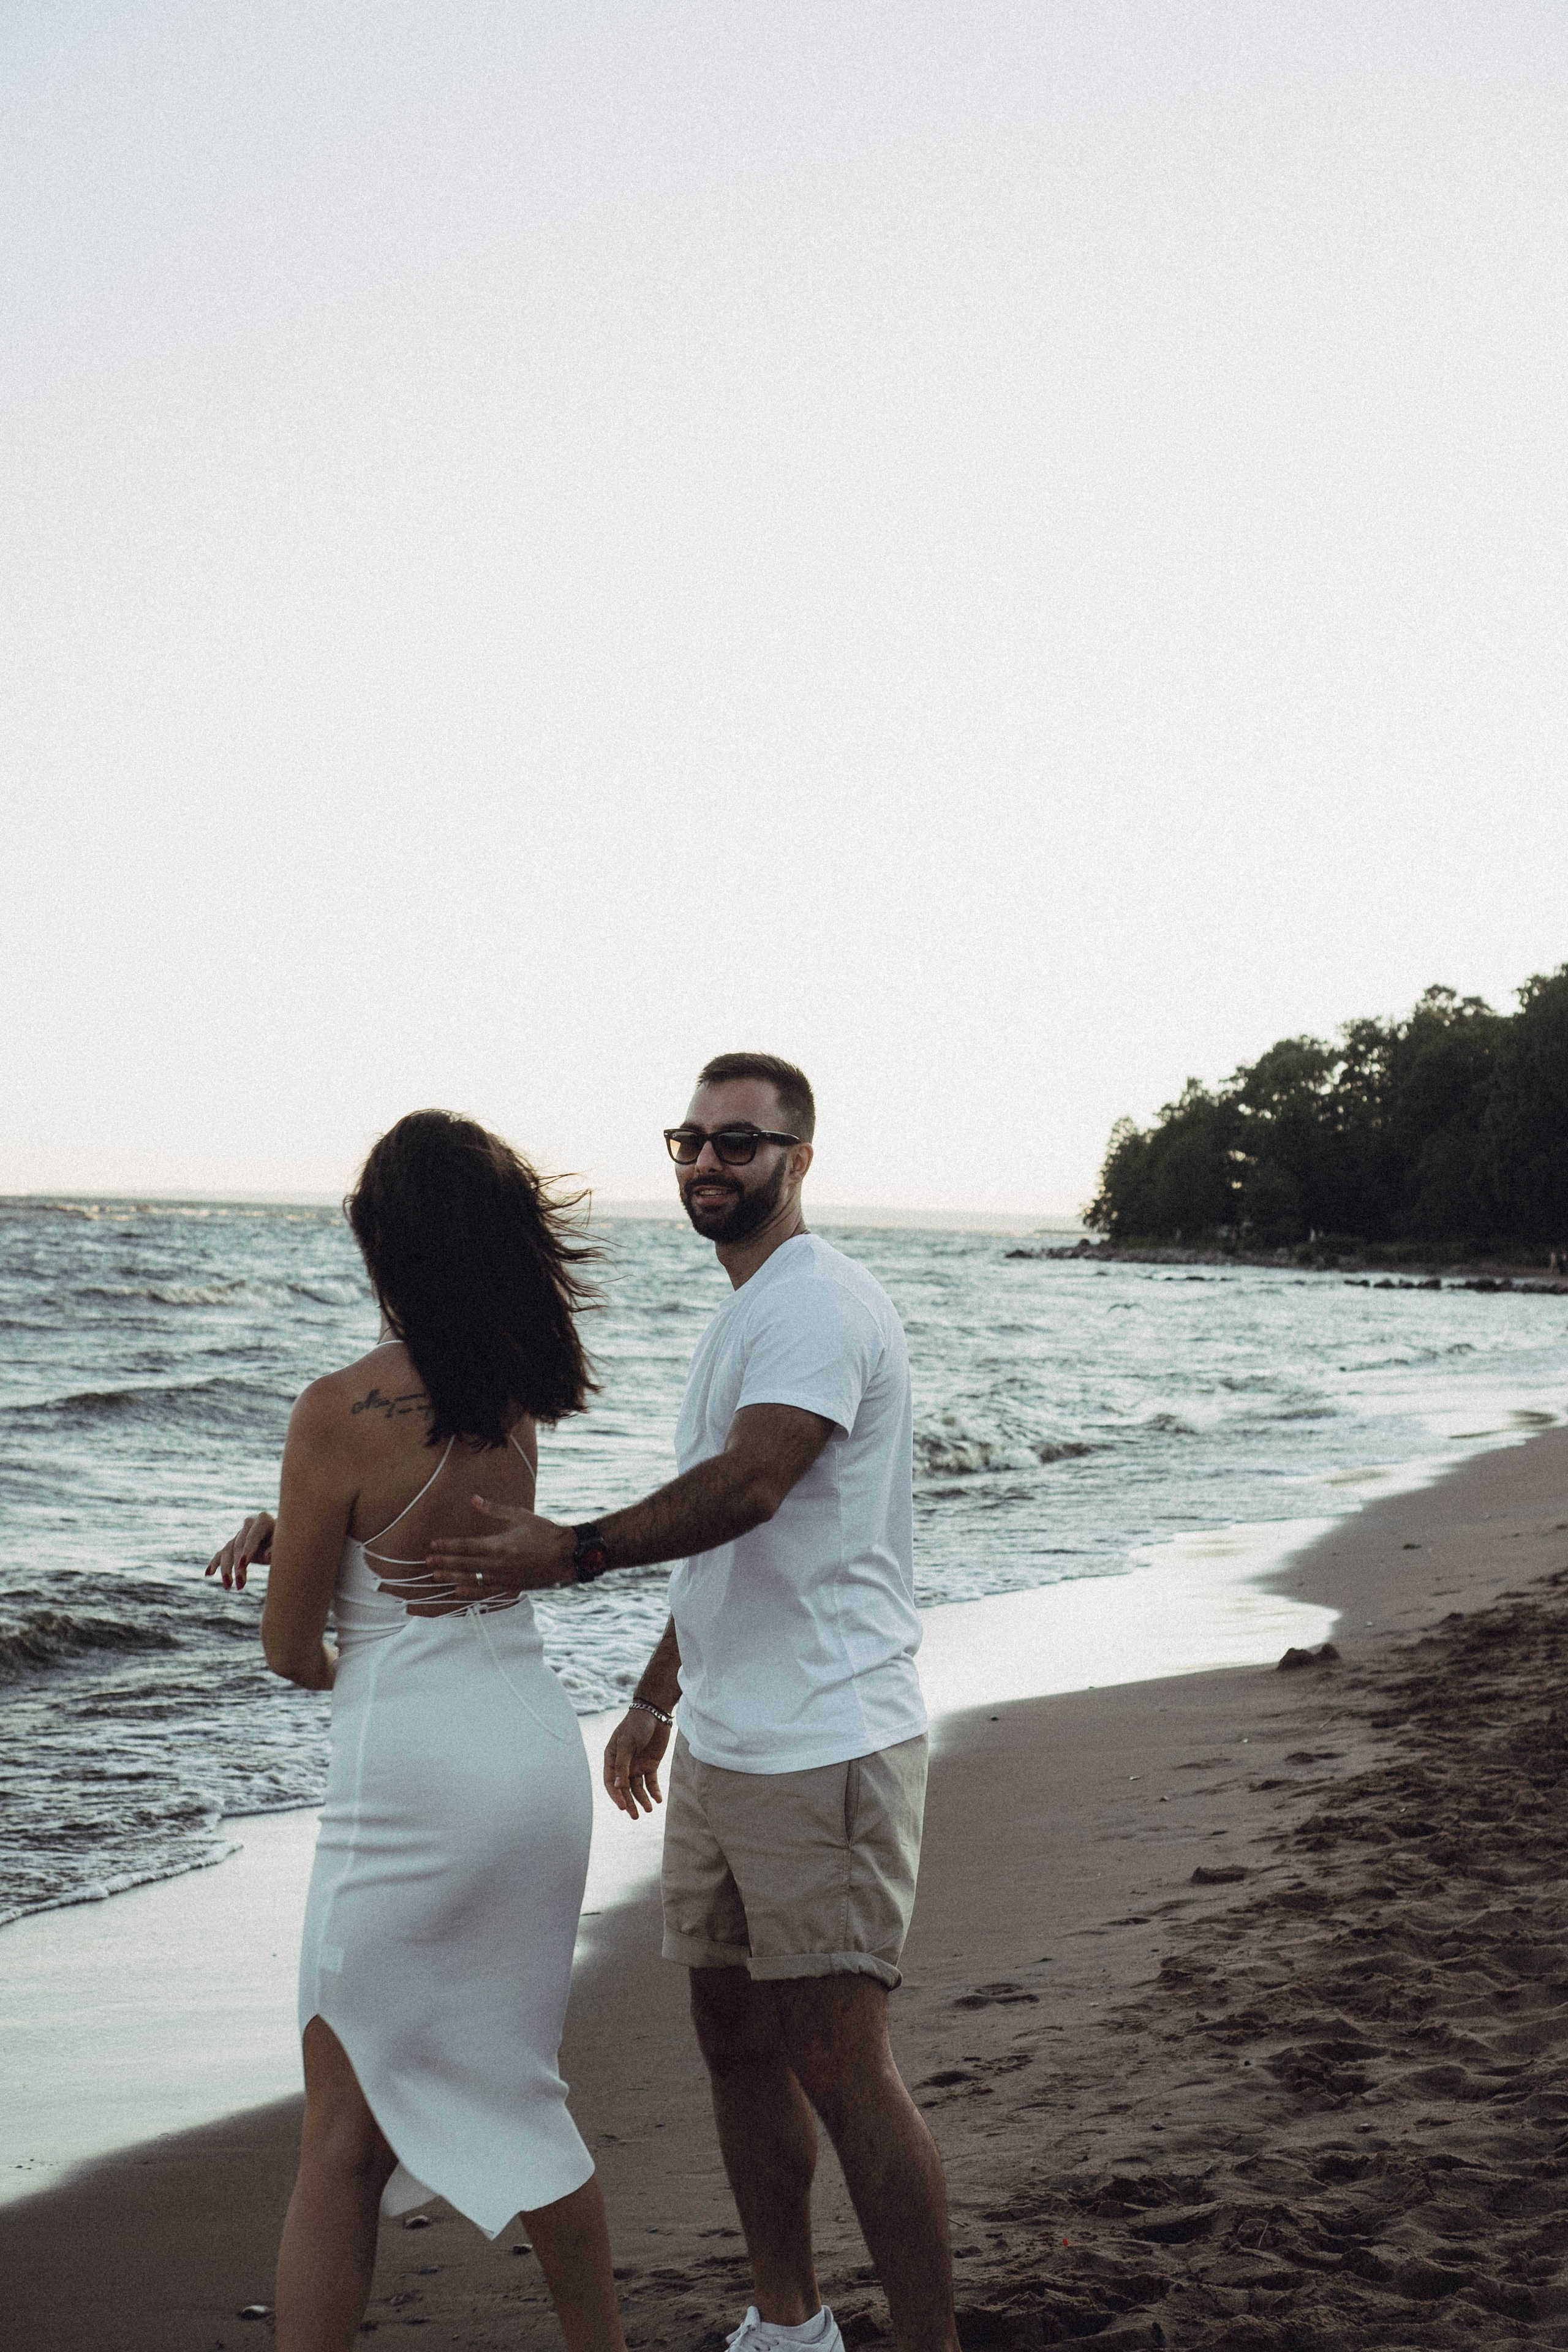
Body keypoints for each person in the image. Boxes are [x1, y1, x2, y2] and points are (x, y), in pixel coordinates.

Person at [425, 1053, 959, 2352]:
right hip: (730, 1742)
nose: (709, 1163)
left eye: (739, 1142)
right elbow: (738, 1543)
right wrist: (659, 1694)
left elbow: (755, 1486)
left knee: (843, 2065)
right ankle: (788, 2325)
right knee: (734, 2047)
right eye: (691, 1141)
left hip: (827, 1743)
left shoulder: (817, 1302)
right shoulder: (750, 1309)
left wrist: (575, 1550)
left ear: (799, 1159)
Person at [205, 1110, 626, 2352]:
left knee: (340, 2141)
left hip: (414, 1789)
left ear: (382, 1241)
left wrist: (313, 1576)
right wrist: (311, 1536)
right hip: (534, 1763)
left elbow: (296, 1655)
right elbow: (438, 1536)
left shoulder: (335, 1409)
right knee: (522, 2091)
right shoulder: (515, 1394)